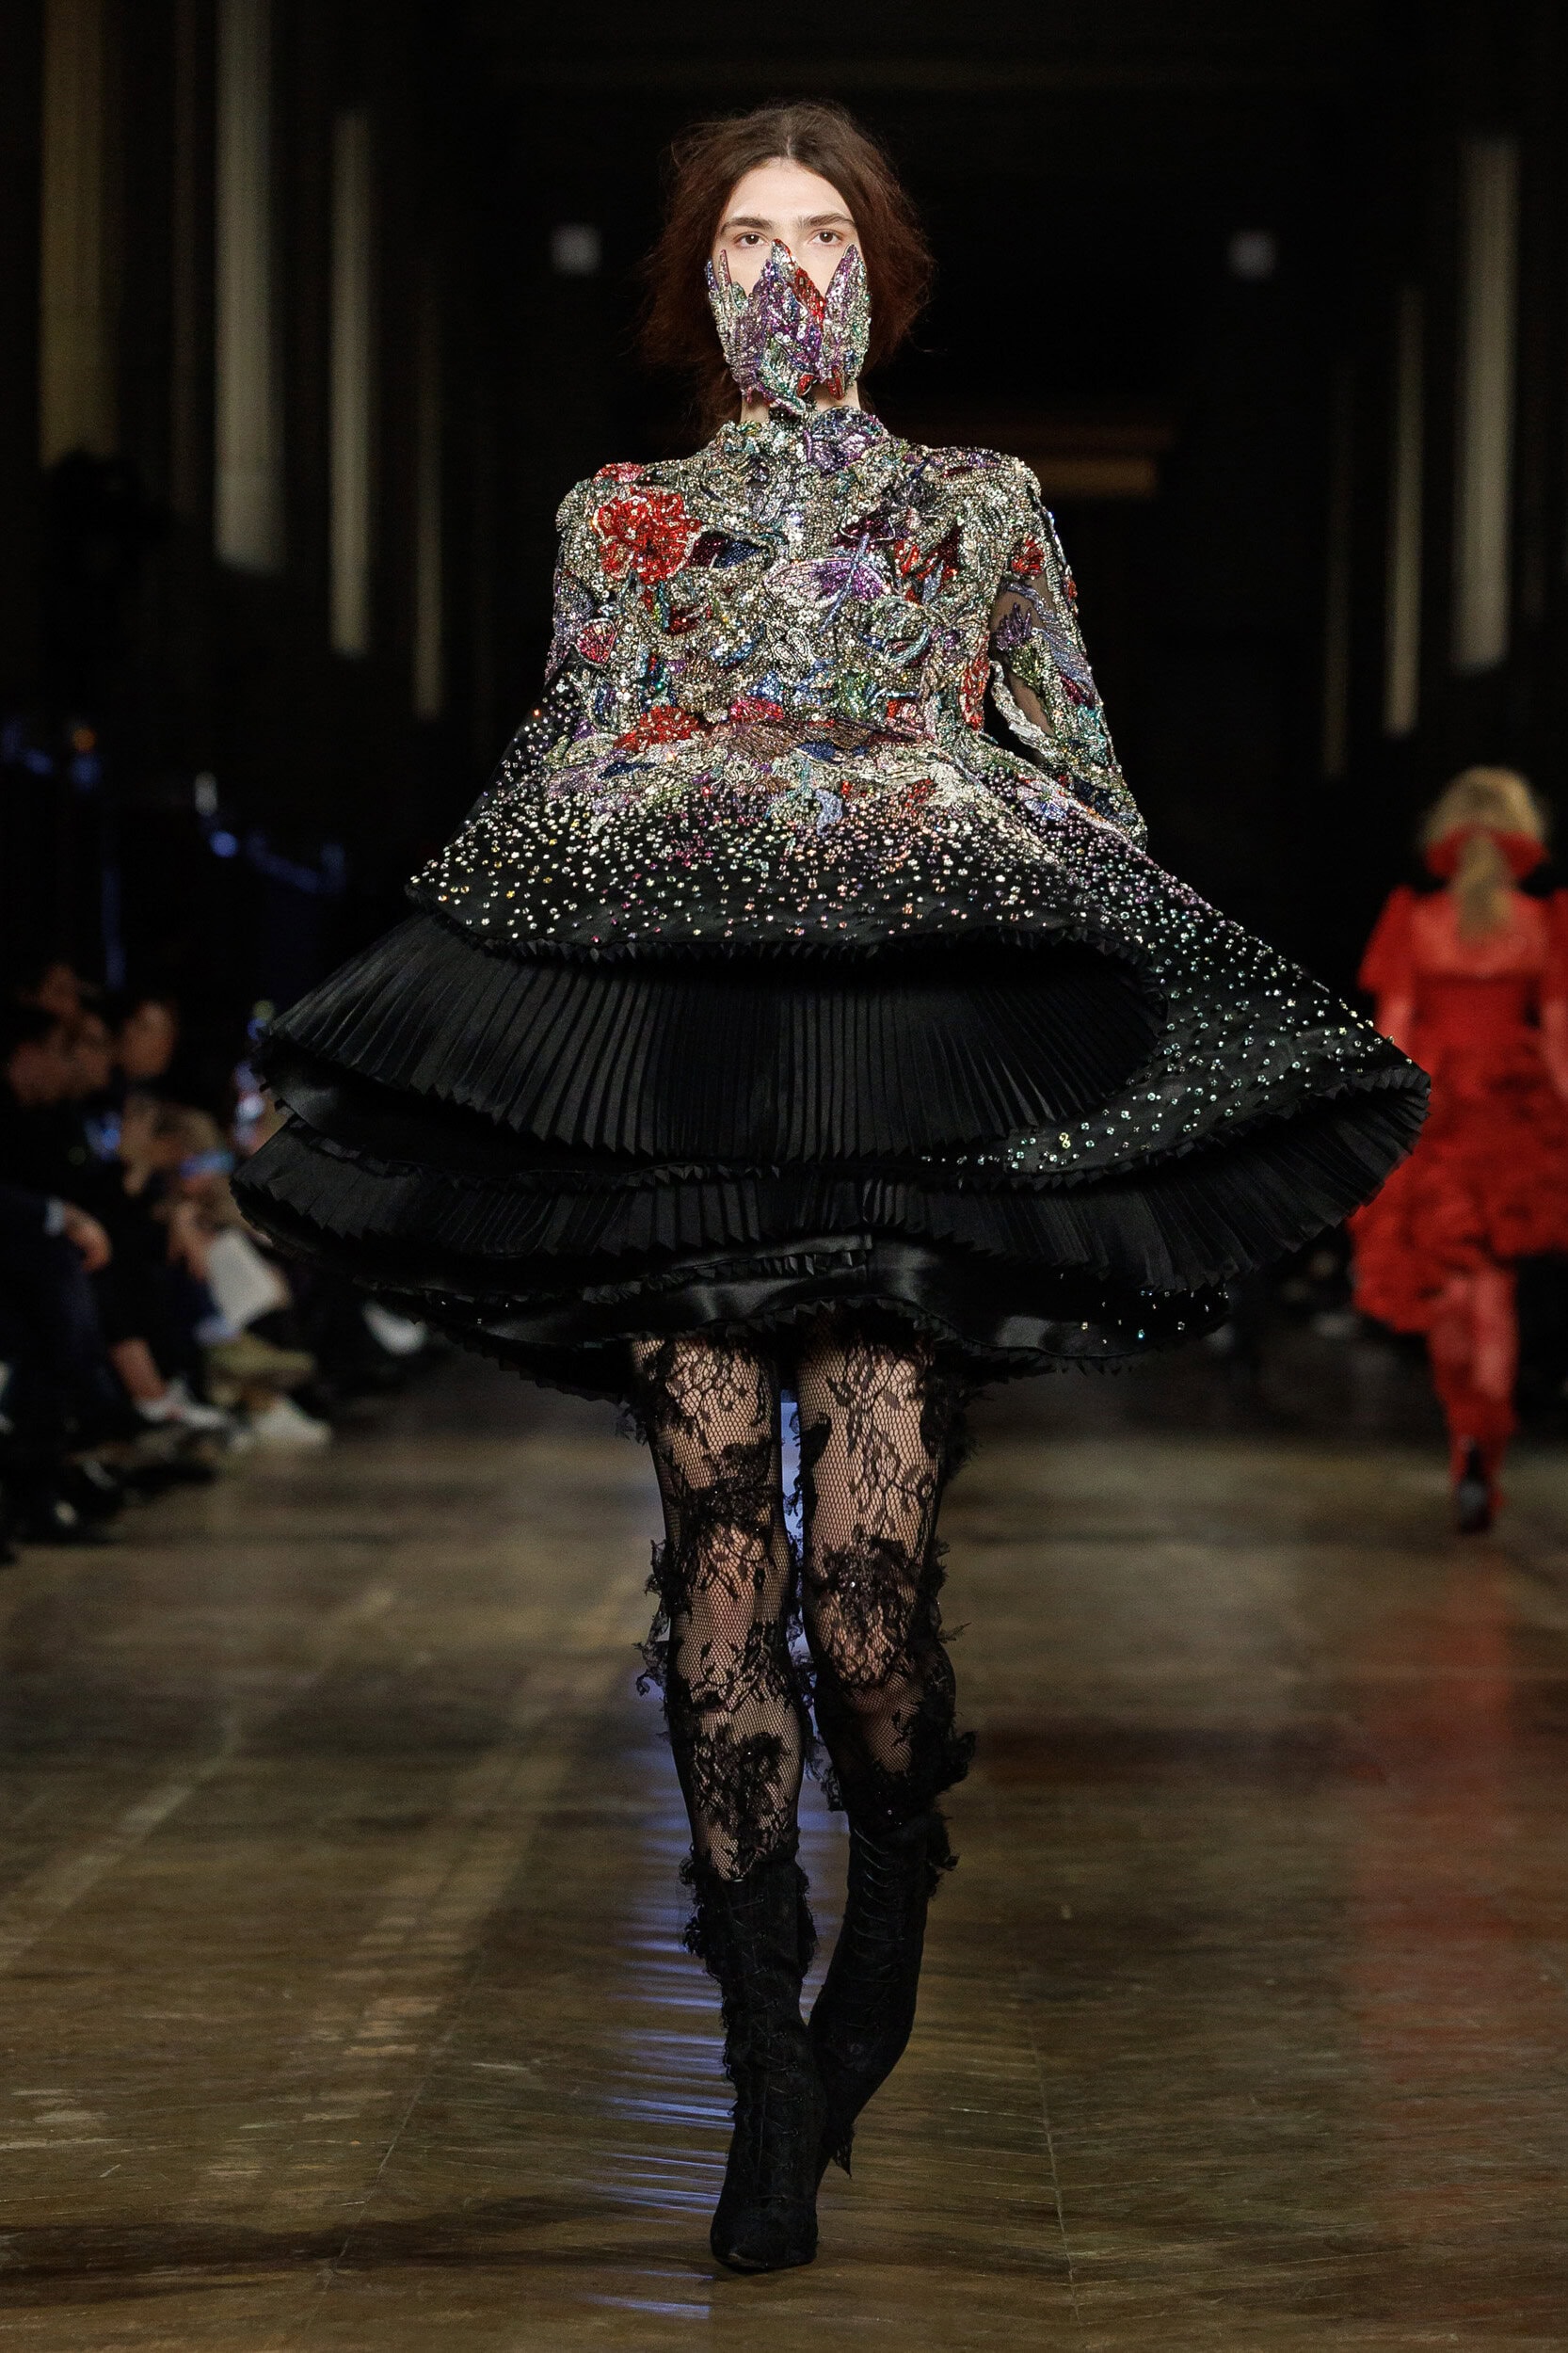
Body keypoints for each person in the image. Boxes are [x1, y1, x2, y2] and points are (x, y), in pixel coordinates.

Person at [235, 104, 1426, 2272]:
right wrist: (438, 1001)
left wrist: (1134, 981)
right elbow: (561, 747)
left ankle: (898, 1860)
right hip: (686, 1077)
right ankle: (762, 2069)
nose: (783, 268)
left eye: (818, 231)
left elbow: (1077, 762)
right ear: (692, 283)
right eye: (743, 236)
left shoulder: (983, 507)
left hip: (893, 1077)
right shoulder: (618, 517)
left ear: (881, 265)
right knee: (720, 1549)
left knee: (866, 1590)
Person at [1351, 768, 1568, 1531]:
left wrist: (1379, 1126)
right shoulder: (1544, 922)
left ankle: (1463, 1438)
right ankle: (1482, 1451)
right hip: (1508, 1117)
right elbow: (1560, 1045)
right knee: (1494, 1300)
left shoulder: (1416, 918)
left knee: (1448, 1293)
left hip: (1437, 1115)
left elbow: (1394, 1034)